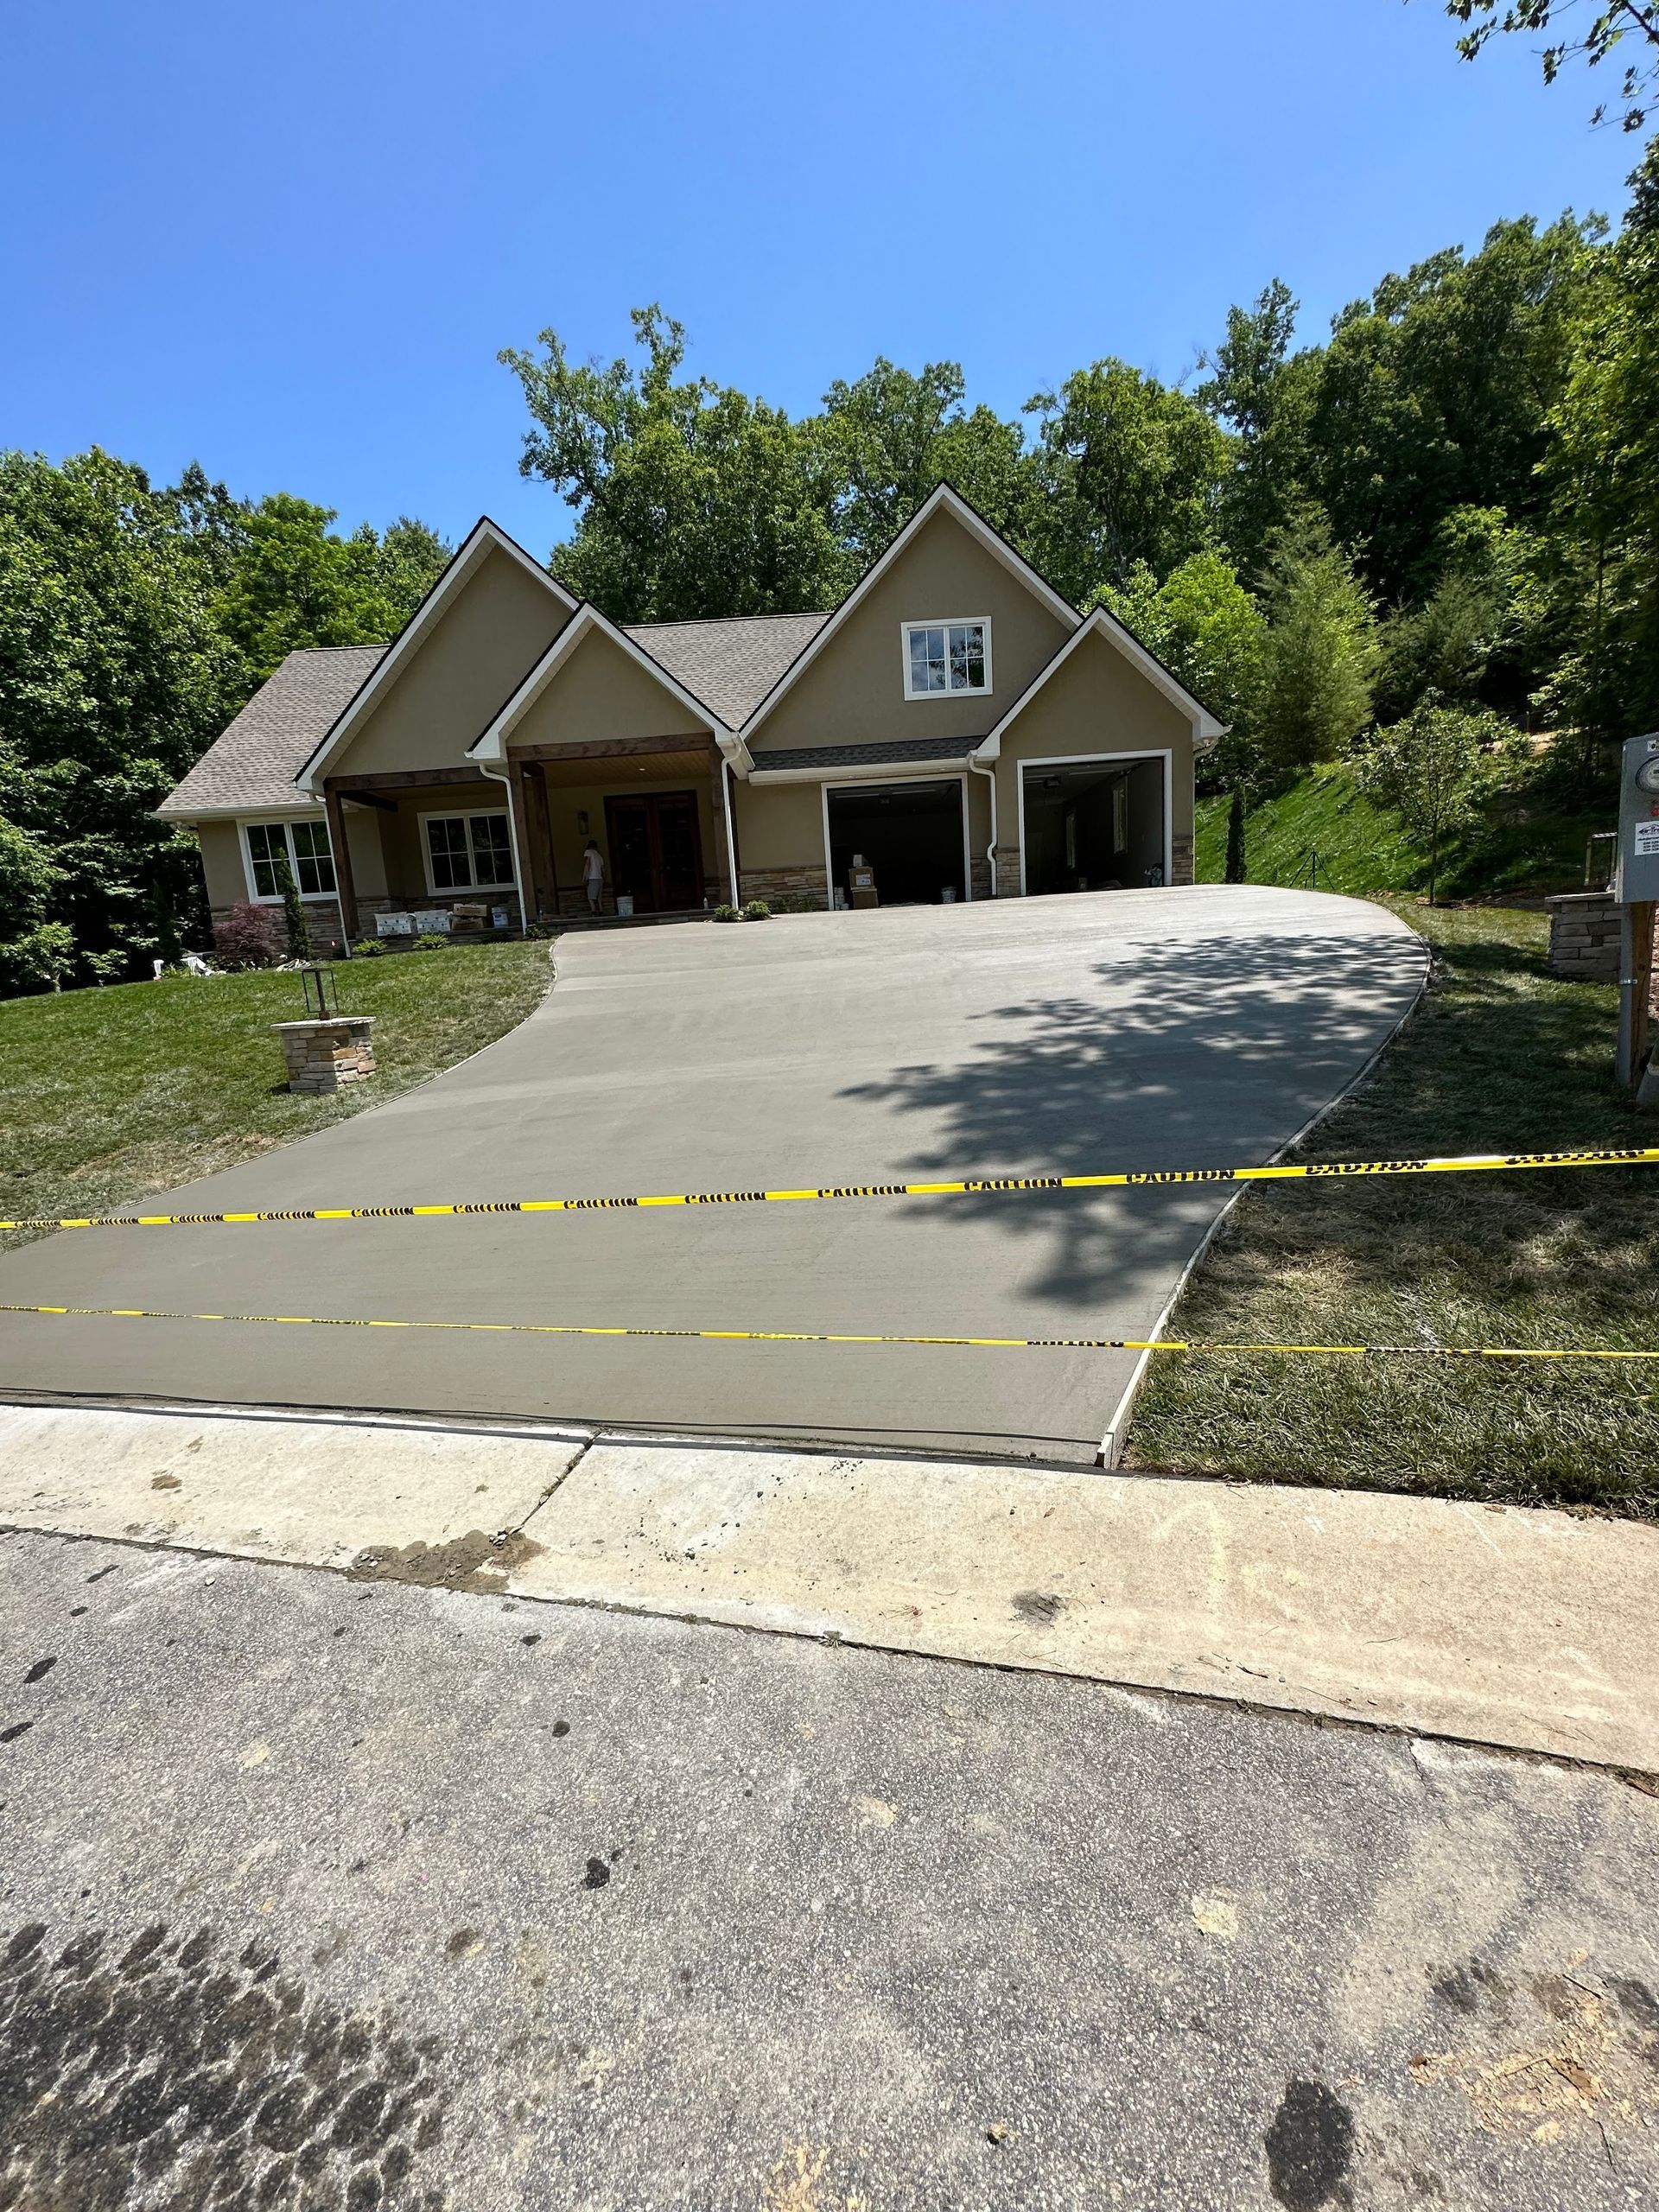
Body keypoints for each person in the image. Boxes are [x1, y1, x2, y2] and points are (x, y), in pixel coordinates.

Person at [582, 838, 606, 916]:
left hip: (592, 877)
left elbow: (587, 864)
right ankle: (601, 910)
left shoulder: (588, 852)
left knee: (590, 897)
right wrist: (604, 878)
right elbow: (603, 869)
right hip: (600, 878)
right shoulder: (599, 856)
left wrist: (584, 877)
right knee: (599, 897)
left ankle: (593, 911)